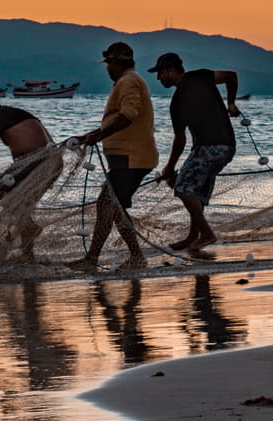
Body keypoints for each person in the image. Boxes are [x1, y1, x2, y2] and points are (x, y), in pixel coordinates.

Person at [69, 42, 158, 270]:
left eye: (108, 64)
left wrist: (99, 137)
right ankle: (132, 257)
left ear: (115, 63)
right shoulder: (127, 81)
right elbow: (118, 119)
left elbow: (128, 115)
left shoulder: (128, 81)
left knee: (108, 205)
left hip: (132, 158)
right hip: (126, 158)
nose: (107, 69)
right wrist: (89, 135)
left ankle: (95, 259)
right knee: (113, 207)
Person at [149, 52, 239, 252]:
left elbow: (179, 139)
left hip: (212, 147)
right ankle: (193, 236)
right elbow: (231, 77)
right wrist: (230, 103)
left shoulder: (185, 93)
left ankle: (207, 234)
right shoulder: (199, 79)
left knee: (183, 188)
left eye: (161, 73)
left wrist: (170, 167)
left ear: (172, 70)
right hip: (224, 146)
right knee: (195, 192)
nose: (158, 78)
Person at [0, 96, 60, 260]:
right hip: (55, 163)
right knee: (24, 207)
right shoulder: (18, 114)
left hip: (35, 160)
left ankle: (29, 228)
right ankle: (28, 256)